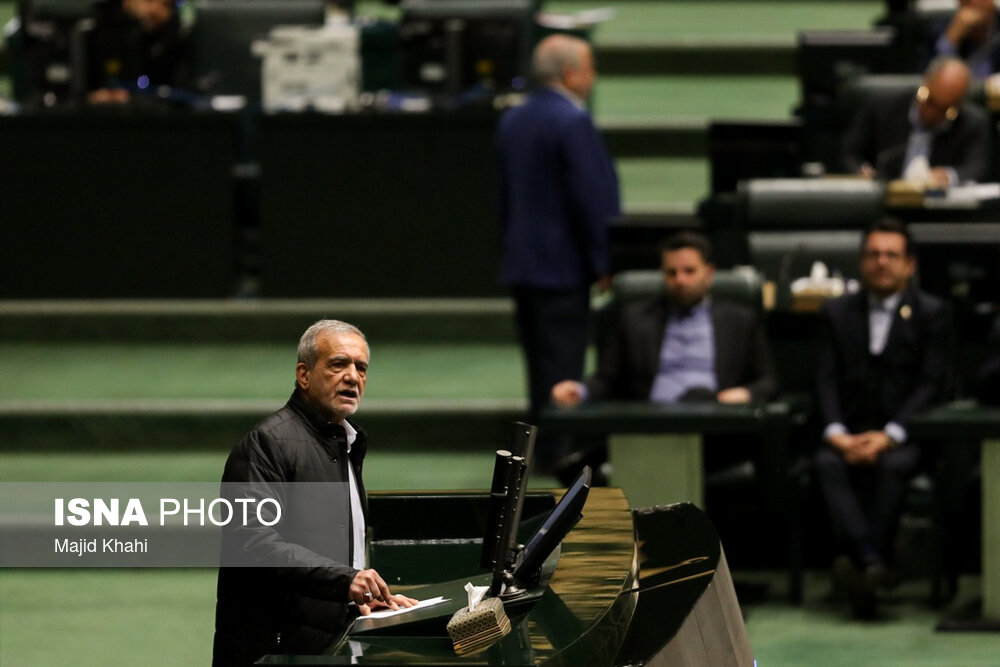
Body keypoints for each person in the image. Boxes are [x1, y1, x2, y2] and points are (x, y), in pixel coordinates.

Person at [213, 320, 416, 666]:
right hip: (273, 652)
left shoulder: (347, 444)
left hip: (324, 645)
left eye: (361, 368)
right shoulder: (267, 444)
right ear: (304, 375)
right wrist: (346, 581)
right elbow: (252, 544)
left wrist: (353, 599)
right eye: (338, 364)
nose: (352, 377)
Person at [495, 34, 621, 475]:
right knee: (563, 366)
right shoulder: (573, 121)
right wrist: (605, 259)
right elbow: (592, 196)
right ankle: (557, 452)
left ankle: (537, 447)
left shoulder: (512, 119)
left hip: (522, 263)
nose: (593, 77)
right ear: (570, 73)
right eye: (589, 68)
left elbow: (505, 197)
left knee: (537, 363)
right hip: (563, 267)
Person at [814, 218, 950, 619]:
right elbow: (824, 379)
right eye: (873, 254)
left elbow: (932, 383)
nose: (881, 262)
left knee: (892, 466)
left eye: (891, 255)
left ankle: (858, 564)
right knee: (827, 464)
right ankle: (873, 562)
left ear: (909, 264)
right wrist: (836, 433)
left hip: (904, 436)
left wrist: (889, 435)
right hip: (847, 434)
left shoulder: (932, 313)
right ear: (861, 262)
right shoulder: (836, 312)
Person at [550, 231, 777, 409]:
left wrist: (745, 394)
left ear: (709, 274)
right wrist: (579, 390)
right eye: (671, 273)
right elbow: (605, 379)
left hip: (717, 419)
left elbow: (767, 381)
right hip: (654, 423)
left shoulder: (740, 320)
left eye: (689, 271)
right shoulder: (634, 319)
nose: (680, 280)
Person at [841, 57, 990, 186]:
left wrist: (948, 176)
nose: (932, 113)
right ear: (925, 81)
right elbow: (849, 153)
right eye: (929, 101)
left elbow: (977, 168)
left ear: (959, 105)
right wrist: (861, 171)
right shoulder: (882, 105)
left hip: (935, 205)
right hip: (883, 199)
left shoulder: (972, 122)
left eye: (944, 110)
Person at [86, 0, 192, 104]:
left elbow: (180, 92)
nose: (154, 10)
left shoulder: (177, 39)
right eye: (149, 1)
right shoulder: (102, 29)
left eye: (166, 5)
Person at [930, 0, 1000, 79]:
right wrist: (952, 38)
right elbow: (931, 77)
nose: (977, 2)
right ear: (961, 3)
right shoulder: (940, 30)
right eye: (969, 1)